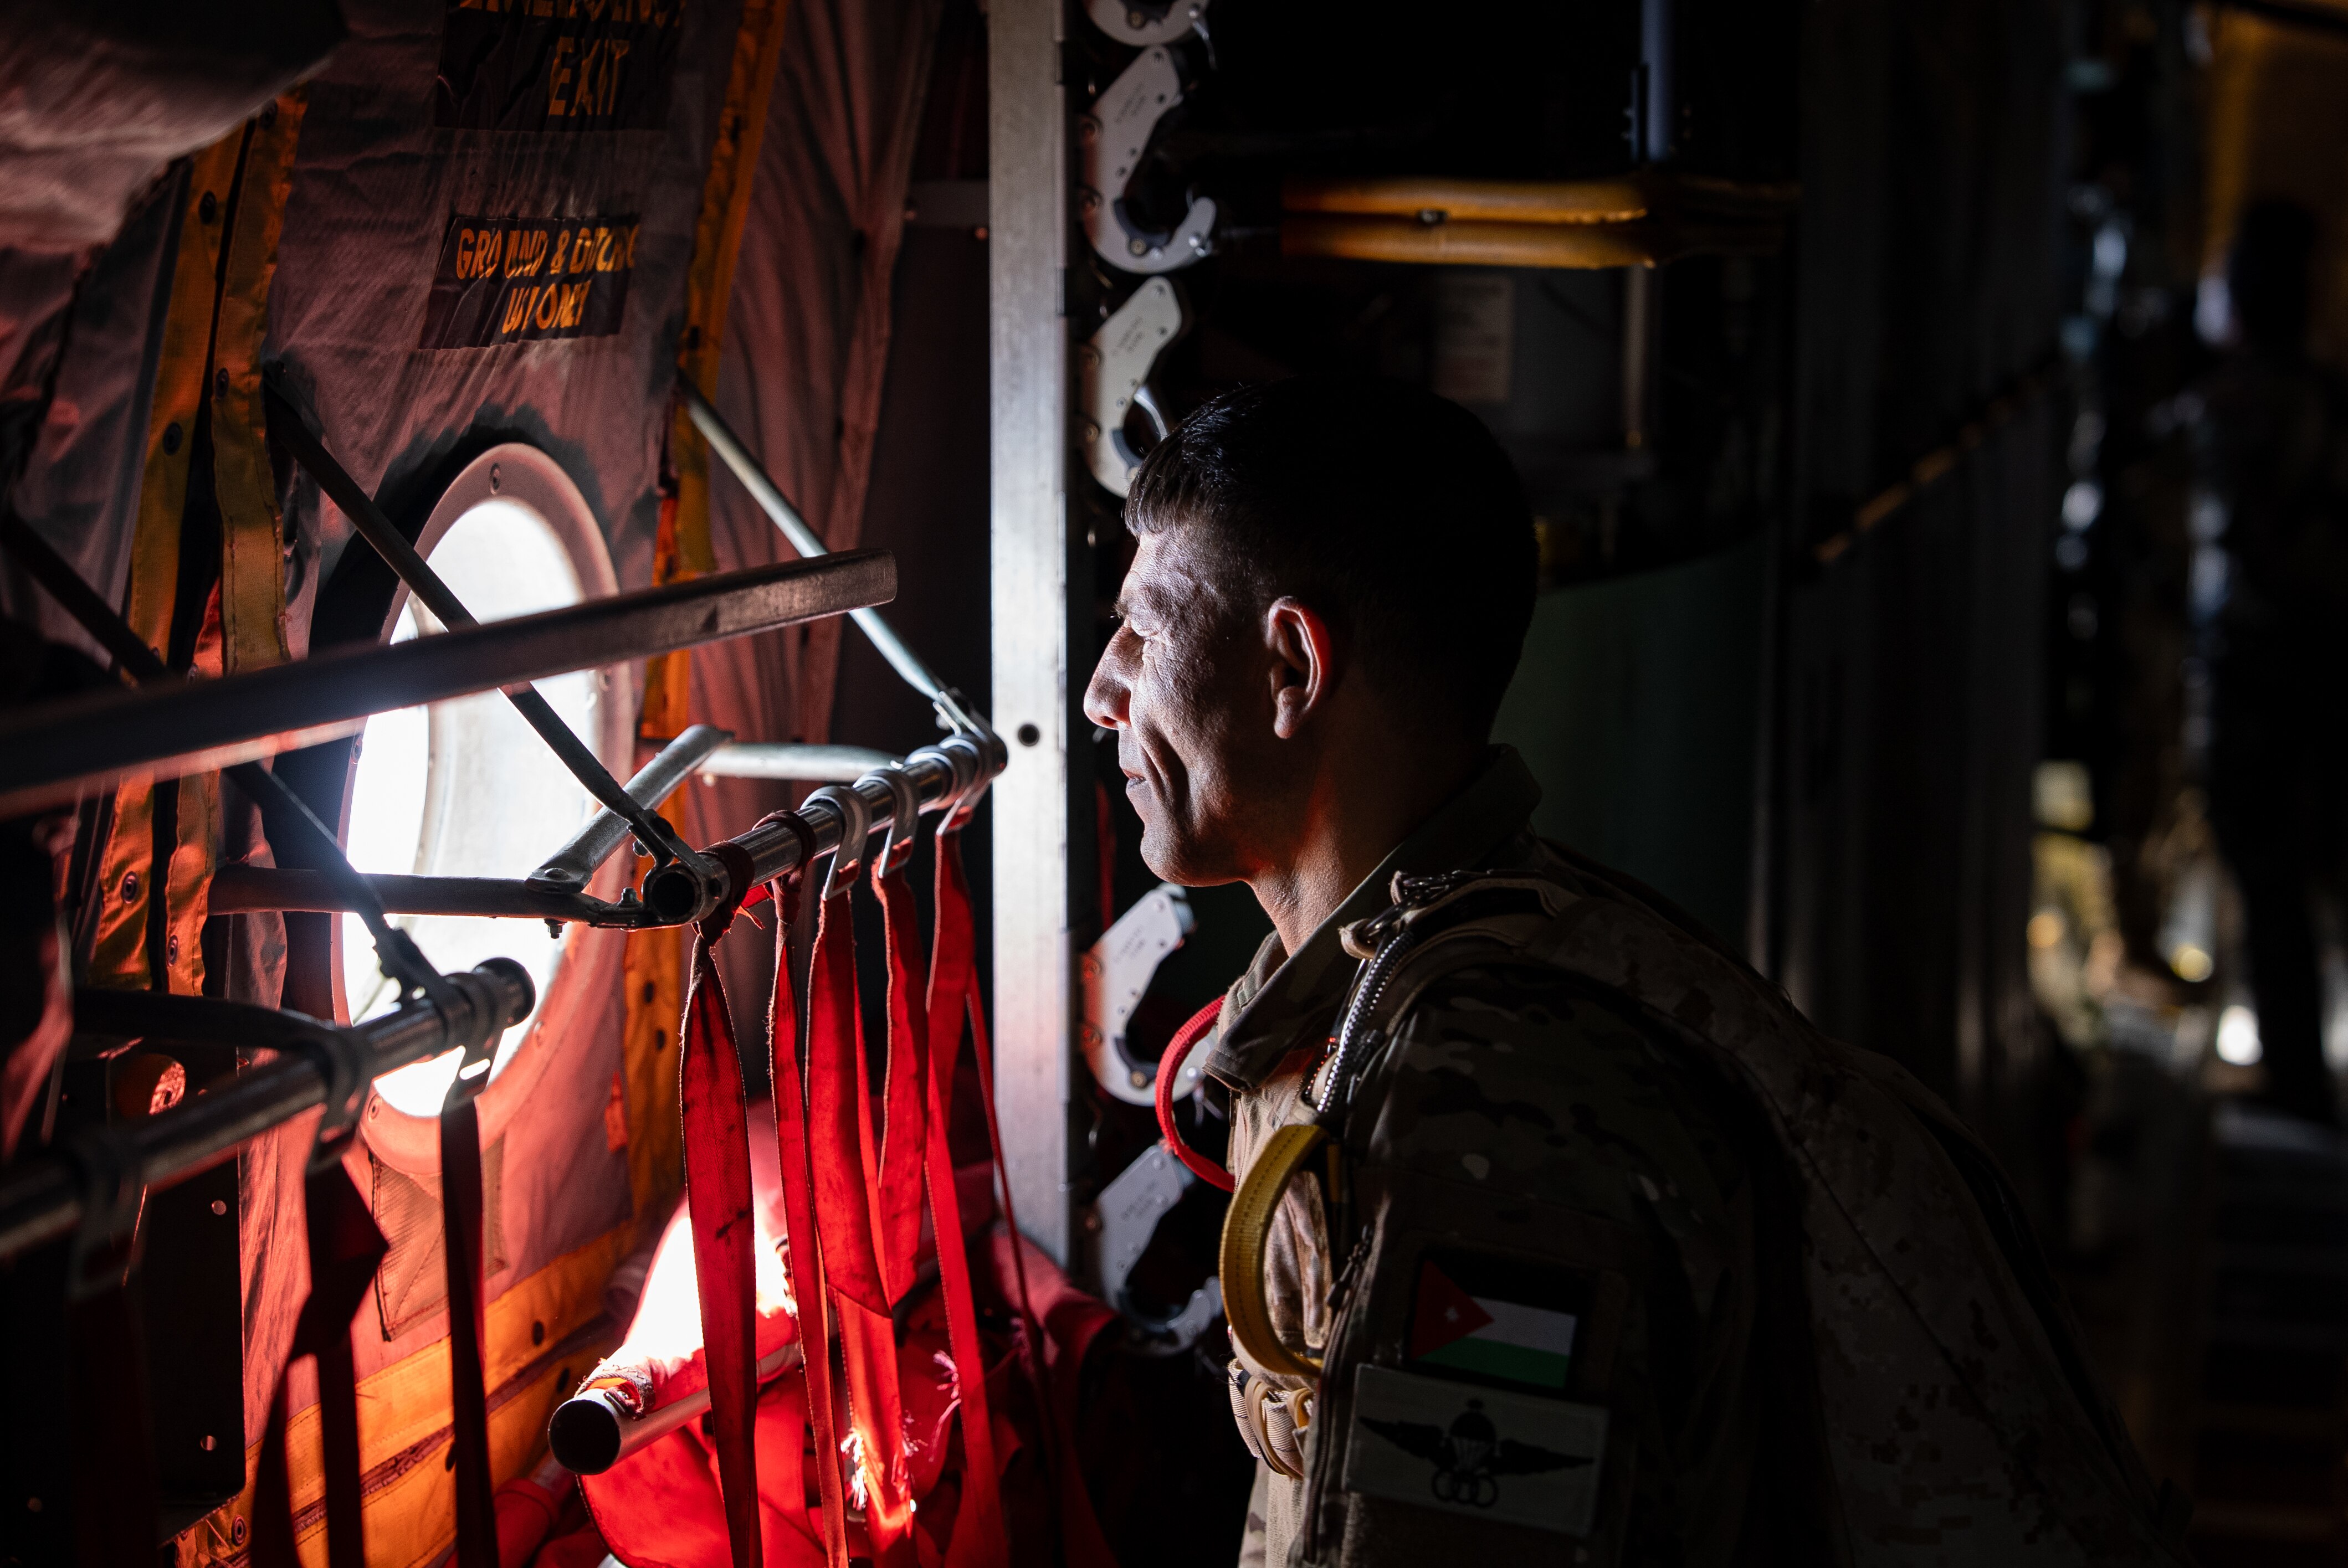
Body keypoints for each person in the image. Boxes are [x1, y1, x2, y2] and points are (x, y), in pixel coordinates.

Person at [1083, 376, 2188, 1566]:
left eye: (1144, 632)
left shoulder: (1492, 1105)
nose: (1102, 692)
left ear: (1294, 666)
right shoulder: (1431, 981)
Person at [2197, 199, 2348, 1125]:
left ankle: (2293, 1076)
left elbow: (2246, 542)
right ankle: (2298, 1068)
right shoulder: (2326, 394)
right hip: (2320, 661)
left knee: (2266, 863)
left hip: (2264, 664)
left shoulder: (2244, 401)